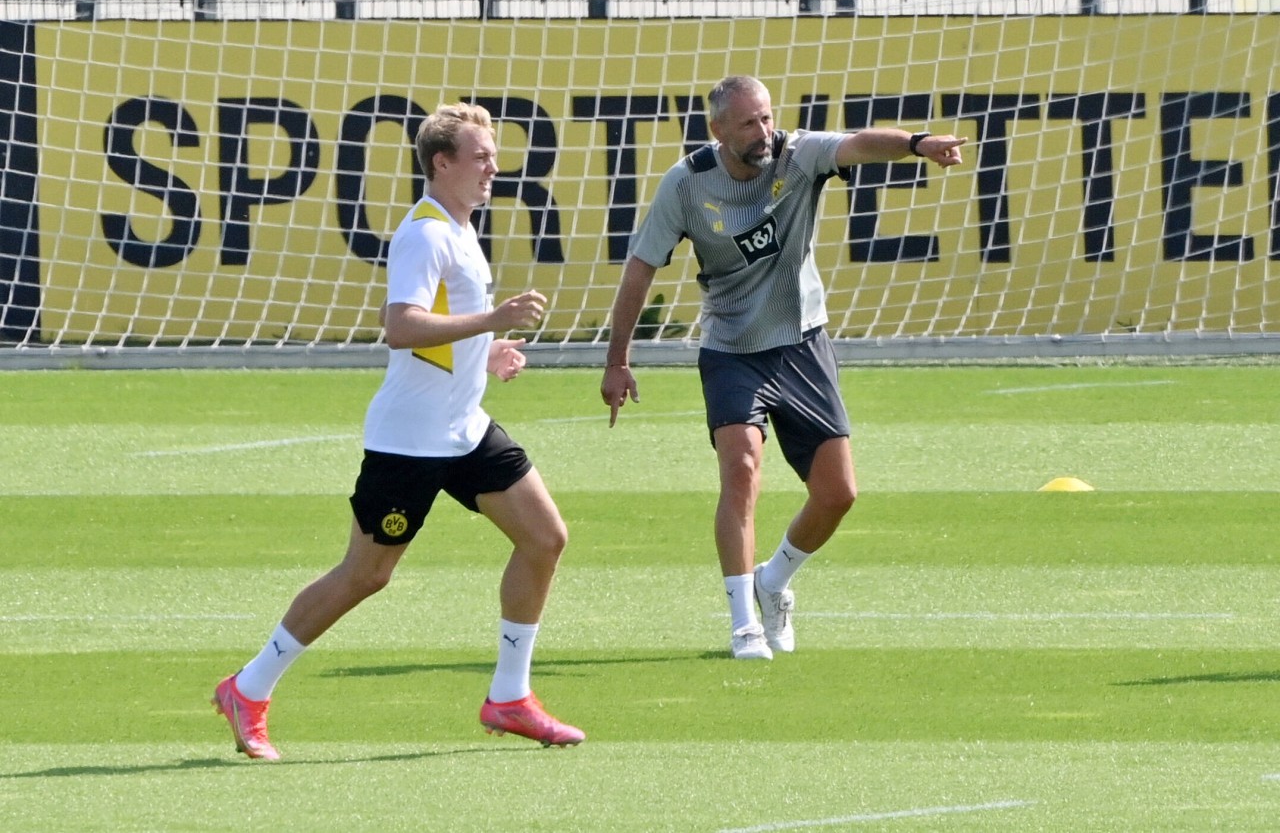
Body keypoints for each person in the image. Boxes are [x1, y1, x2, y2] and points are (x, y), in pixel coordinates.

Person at [212, 102, 584, 758]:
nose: (493, 166)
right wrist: (491, 319)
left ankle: (509, 697)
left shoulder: (461, 228)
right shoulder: (425, 233)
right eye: (480, 156)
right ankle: (248, 687)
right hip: (410, 441)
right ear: (442, 163)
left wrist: (486, 352)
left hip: (464, 430)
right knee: (366, 575)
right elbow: (402, 326)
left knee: (545, 537)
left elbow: (442, 329)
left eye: (493, 155)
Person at [600, 75, 966, 660]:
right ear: (717, 130)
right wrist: (618, 360)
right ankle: (744, 622)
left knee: (838, 495)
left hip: (802, 343)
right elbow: (640, 270)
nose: (763, 131)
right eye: (748, 123)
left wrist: (916, 143)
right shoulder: (686, 184)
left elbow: (858, 143)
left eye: (767, 118)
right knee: (742, 469)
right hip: (731, 349)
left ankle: (774, 583)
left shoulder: (797, 156)